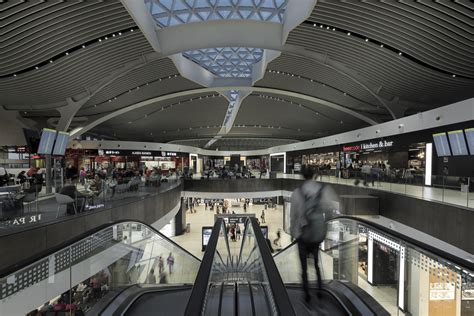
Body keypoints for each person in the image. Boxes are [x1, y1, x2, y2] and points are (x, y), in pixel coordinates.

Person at [290, 165, 338, 303]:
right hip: (317, 234)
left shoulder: (297, 193)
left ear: (302, 176)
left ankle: (306, 295)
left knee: (303, 267)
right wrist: (325, 223)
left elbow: (293, 216)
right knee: (317, 264)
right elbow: (331, 209)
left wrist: (294, 232)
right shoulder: (324, 190)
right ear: (314, 175)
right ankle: (320, 291)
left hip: (303, 234)